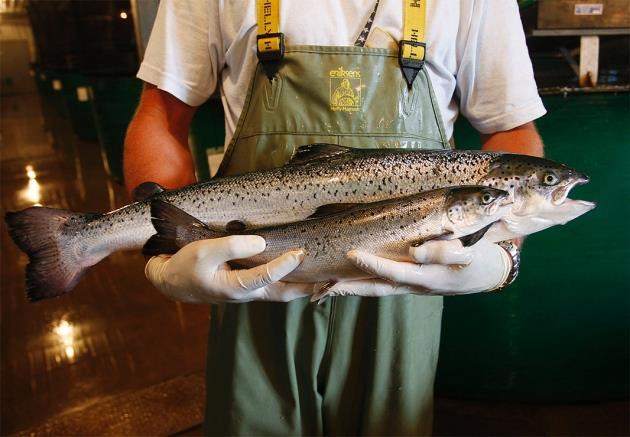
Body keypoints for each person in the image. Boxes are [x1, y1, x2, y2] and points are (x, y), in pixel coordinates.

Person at [124, 1, 545, 434]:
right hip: (251, 281)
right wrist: (162, 253)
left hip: (405, 286)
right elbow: (162, 116)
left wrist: (503, 255)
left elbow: (510, 128)